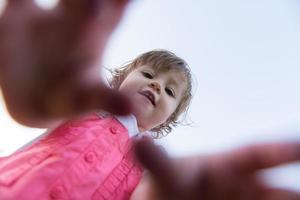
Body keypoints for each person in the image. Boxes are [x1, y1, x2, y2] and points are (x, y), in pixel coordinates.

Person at [0, 49, 193, 200]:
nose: (156, 85)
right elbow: (40, 107)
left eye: (169, 91)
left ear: (168, 118)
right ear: (122, 79)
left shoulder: (148, 167)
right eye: (148, 75)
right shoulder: (86, 106)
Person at [0, 0, 132, 127]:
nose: (153, 84)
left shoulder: (142, 144)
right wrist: (34, 103)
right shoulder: (94, 102)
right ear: (122, 78)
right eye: (147, 74)